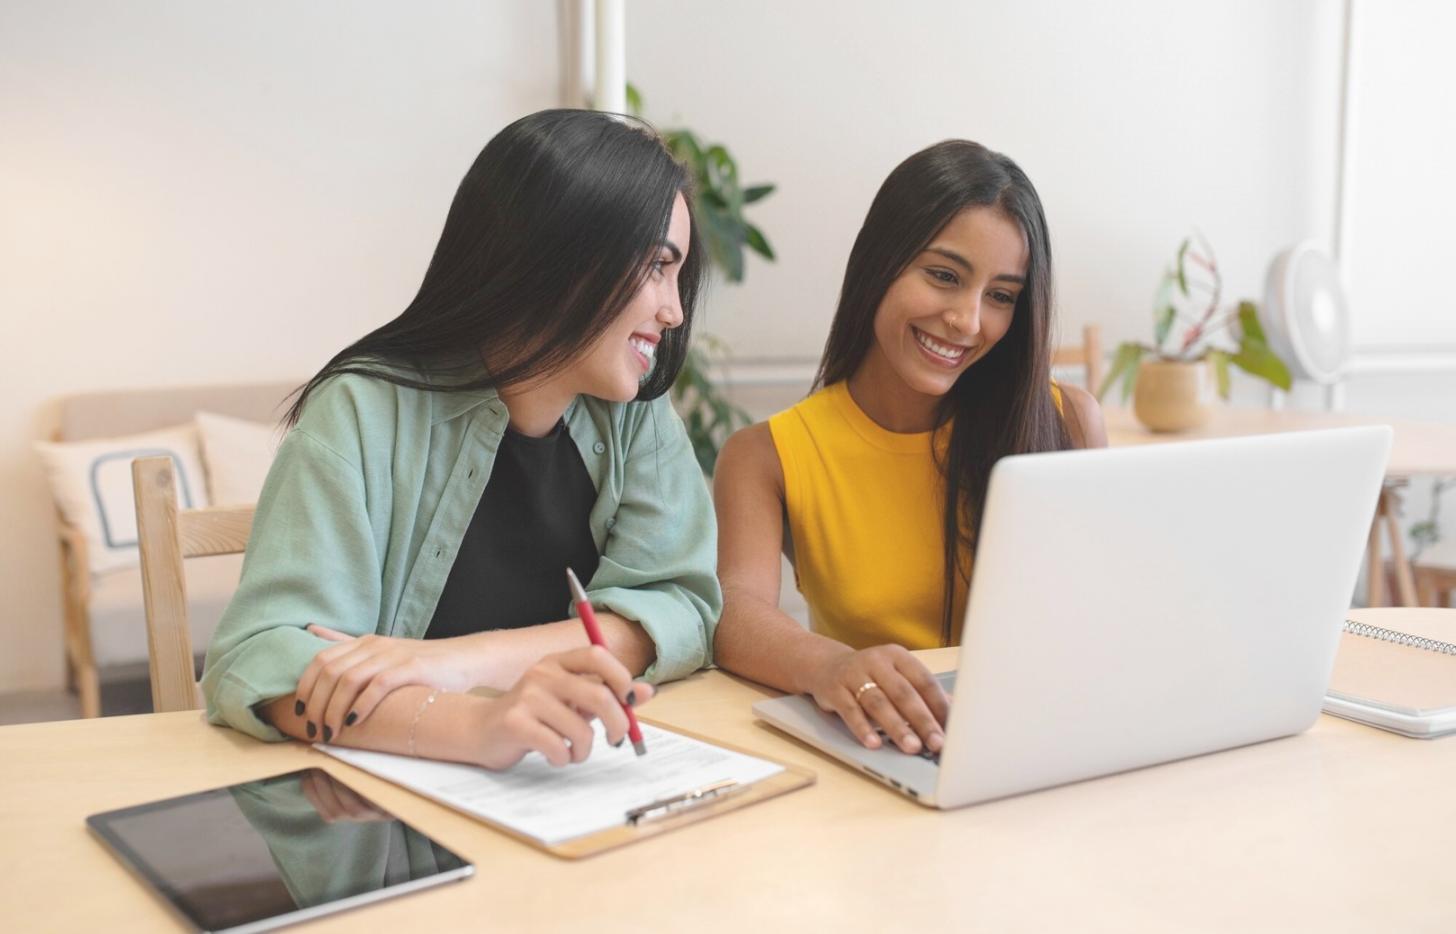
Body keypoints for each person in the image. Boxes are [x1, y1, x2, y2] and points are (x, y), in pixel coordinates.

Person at [202, 109, 721, 771]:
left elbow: (677, 606)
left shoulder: (637, 413)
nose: (674, 311)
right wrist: (474, 723)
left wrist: (453, 664)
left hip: (576, 783)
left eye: (677, 275)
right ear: (560, 255)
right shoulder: (362, 411)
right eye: (655, 267)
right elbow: (264, 659)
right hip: (383, 817)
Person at [712, 139, 1107, 758]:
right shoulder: (765, 456)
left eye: (1001, 296)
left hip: (1049, 740)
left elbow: (1098, 614)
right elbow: (737, 617)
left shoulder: (1068, 423)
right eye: (945, 276)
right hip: (886, 750)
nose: (968, 320)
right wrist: (832, 667)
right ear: (881, 263)